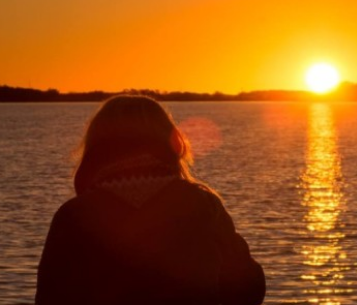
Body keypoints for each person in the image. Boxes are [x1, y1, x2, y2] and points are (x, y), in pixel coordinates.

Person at [36, 95, 265, 305]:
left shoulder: (74, 216)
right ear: (171, 142)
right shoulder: (203, 206)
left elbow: (50, 297)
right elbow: (248, 288)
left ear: (96, 146)